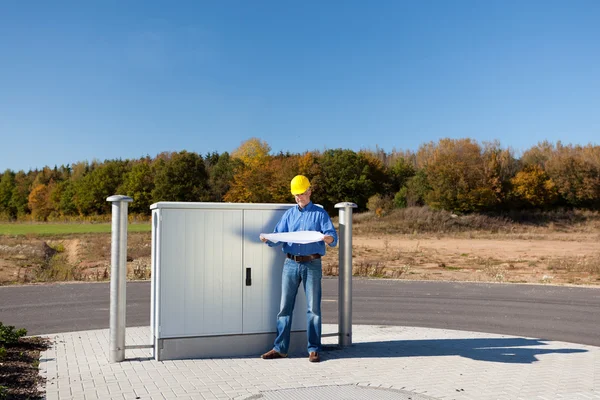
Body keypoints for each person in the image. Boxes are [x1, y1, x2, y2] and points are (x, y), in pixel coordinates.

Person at [259, 175, 338, 363]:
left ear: (309, 191)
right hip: (291, 263)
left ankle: (314, 349)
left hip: (312, 264)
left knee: (313, 309)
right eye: (296, 195)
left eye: (301, 194)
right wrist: (268, 239)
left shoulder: (320, 214)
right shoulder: (289, 215)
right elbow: (278, 236)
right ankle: (280, 349)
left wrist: (327, 238)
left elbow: (332, 237)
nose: (299, 198)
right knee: (284, 308)